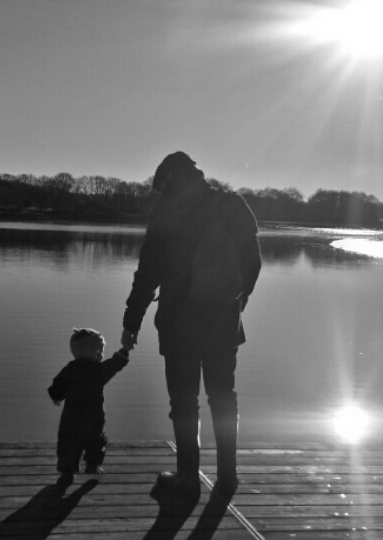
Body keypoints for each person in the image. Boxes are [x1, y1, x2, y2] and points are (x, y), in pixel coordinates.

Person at [121, 151, 261, 502]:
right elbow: (253, 262)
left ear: (169, 179)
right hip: (223, 320)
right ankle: (228, 477)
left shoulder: (167, 211)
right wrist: (237, 302)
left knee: (184, 402)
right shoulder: (233, 204)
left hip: (178, 321)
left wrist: (131, 321)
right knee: (223, 397)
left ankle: (187, 479)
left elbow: (148, 273)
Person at [48, 328, 130, 487]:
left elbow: (57, 386)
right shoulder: (98, 371)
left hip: (71, 417)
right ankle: (92, 465)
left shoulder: (69, 369)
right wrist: (125, 349)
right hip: (93, 416)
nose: (102, 354)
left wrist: (56, 397)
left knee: (68, 443)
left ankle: (67, 472)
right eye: (101, 350)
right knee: (96, 441)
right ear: (95, 352)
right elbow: (115, 364)